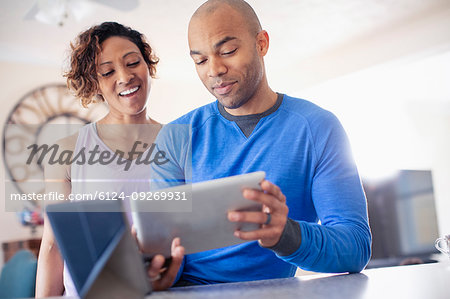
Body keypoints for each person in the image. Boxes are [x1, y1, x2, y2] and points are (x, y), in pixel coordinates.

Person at [150, 0, 372, 285]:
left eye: (227, 51)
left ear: (261, 43)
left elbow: (355, 247)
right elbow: (165, 248)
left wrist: (286, 234)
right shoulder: (175, 136)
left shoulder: (317, 128)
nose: (214, 70)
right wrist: (152, 269)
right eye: (200, 60)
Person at [35, 22, 184, 297]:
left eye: (132, 63)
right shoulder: (66, 151)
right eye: (108, 71)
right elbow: (54, 246)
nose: (125, 76)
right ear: (96, 84)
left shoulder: (178, 143)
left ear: (148, 66)